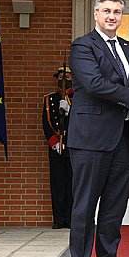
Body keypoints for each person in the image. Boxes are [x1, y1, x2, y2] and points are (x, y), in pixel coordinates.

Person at [66, 0, 129, 257]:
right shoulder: (82, 46)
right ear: (96, 14)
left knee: (115, 206)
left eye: (116, 11)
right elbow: (94, 84)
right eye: (106, 11)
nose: (112, 16)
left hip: (124, 140)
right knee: (85, 204)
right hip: (91, 138)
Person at [42, 65, 73, 229]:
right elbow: (46, 122)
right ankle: (59, 219)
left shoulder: (79, 99)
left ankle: (71, 219)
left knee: (73, 184)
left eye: (67, 78)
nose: (64, 81)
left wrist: (70, 110)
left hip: (74, 146)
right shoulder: (49, 99)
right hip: (57, 147)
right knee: (58, 184)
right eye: (61, 78)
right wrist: (55, 142)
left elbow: (83, 123)